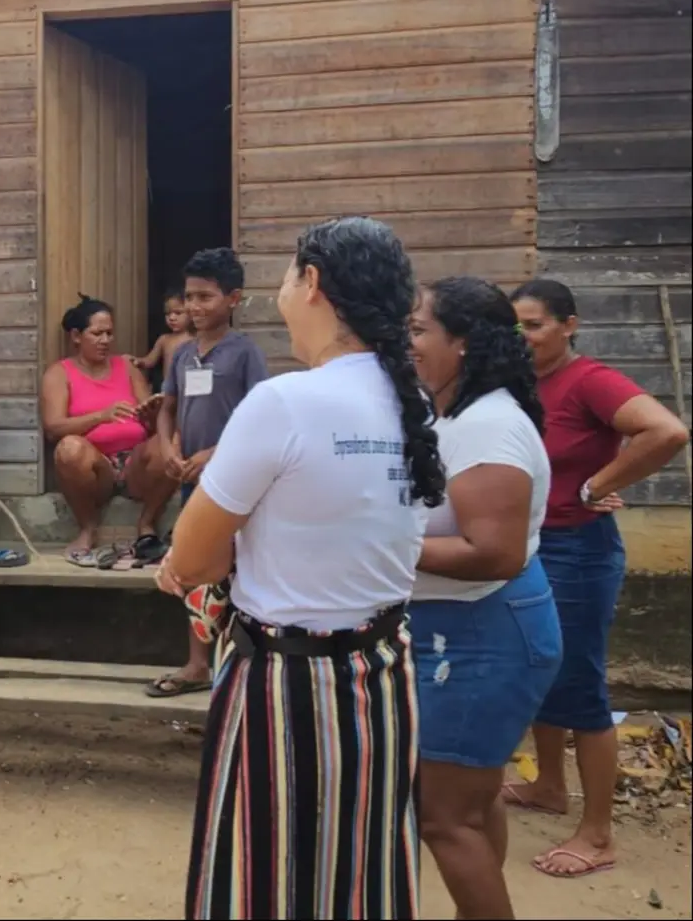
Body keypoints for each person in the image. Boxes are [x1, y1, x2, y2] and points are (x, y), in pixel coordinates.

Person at [156, 217, 445, 920]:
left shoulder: (284, 402)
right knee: (363, 865)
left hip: (283, 680)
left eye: (287, 274)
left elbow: (193, 557)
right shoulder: (413, 404)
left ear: (311, 282)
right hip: (382, 672)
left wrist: (204, 559)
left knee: (265, 869)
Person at [504, 278, 690, 879]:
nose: (523, 337)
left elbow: (666, 430)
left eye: (534, 325)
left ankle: (598, 834)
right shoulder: (524, 382)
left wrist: (596, 486)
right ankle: (548, 787)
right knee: (542, 665)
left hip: (578, 552)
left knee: (580, 685)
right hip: (534, 545)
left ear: (570, 325)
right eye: (515, 326)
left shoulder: (590, 380)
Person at [406, 277, 561, 918]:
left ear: (463, 342)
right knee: (472, 802)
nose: (407, 341)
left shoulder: (488, 425)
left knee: (446, 819)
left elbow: (494, 552)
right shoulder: (454, 413)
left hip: (481, 634)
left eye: (419, 330)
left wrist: (377, 546)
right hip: (463, 628)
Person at [146, 247, 268, 698]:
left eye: (205, 297)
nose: (194, 307)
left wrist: (215, 453)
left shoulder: (245, 354)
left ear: (233, 299)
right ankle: (197, 664)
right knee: (194, 567)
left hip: (236, 481)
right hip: (193, 482)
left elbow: (259, 419)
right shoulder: (181, 355)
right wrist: (167, 447)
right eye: (189, 297)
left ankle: (239, 663)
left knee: (236, 568)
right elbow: (168, 407)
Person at [42, 295, 176, 567]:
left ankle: (147, 523)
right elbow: (53, 428)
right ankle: (87, 527)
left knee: (172, 441)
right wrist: (101, 416)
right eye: (97, 334)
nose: (105, 340)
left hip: (136, 464)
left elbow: (152, 420)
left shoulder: (126, 367)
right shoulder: (59, 373)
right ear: (76, 336)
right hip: (97, 468)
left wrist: (151, 414)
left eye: (109, 333)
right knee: (69, 448)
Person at [130, 288, 192, 382]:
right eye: (168, 313)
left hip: (190, 386)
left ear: (191, 314)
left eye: (178, 313)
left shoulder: (197, 339)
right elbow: (150, 360)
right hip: (168, 387)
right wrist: (138, 361)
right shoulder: (164, 339)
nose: (172, 318)